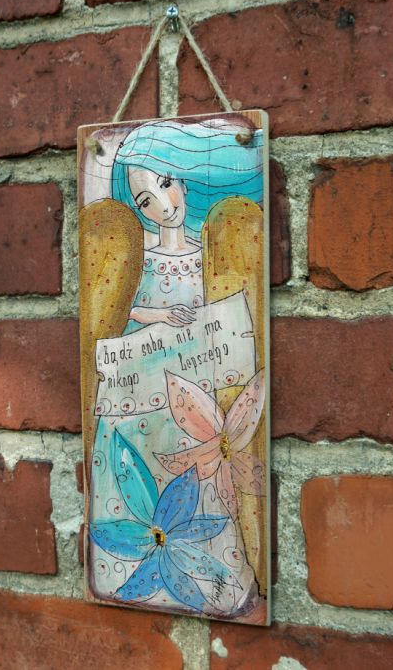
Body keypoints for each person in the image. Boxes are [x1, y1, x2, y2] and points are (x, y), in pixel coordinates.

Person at [88, 117, 264, 617]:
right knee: (134, 480)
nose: (164, 206)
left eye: (166, 185)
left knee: (198, 484)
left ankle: (208, 578)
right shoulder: (141, 257)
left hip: (193, 396)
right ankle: (125, 570)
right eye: (146, 200)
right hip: (139, 392)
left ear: (183, 181)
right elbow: (125, 310)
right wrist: (160, 316)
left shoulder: (206, 255)